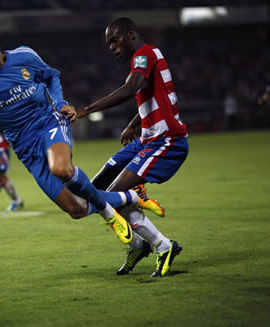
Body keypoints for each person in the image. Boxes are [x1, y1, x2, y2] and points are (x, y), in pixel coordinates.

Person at [0, 19, 161, 244]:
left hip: (48, 123)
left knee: (61, 168)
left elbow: (51, 76)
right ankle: (131, 196)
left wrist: (60, 102)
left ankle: (109, 214)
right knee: (76, 209)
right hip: (25, 148)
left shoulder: (24, 56)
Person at [77, 17, 189, 277]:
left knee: (113, 196)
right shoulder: (146, 59)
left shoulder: (144, 54)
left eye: (114, 40)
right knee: (95, 191)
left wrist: (87, 109)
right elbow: (157, 96)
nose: (112, 47)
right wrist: (133, 123)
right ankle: (138, 245)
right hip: (146, 139)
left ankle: (162, 245)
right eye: (108, 44)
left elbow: (130, 89)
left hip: (167, 141)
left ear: (129, 34)